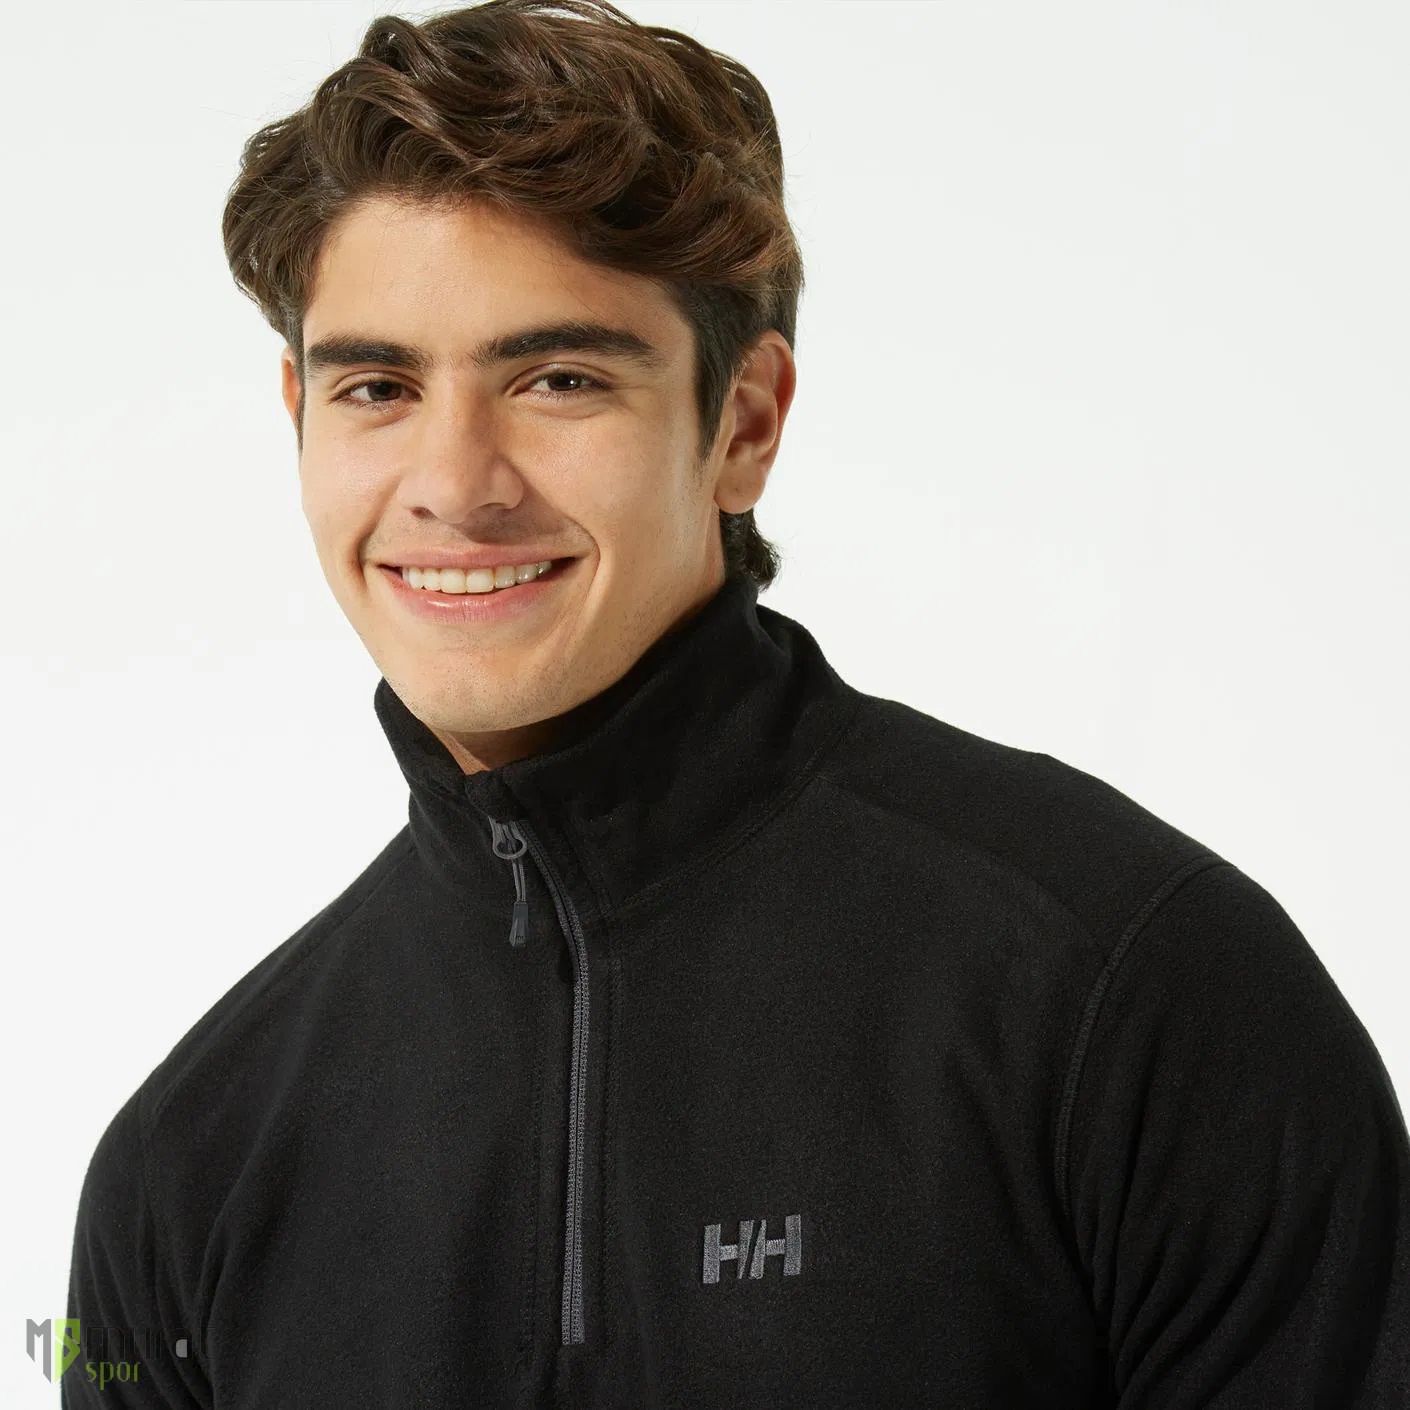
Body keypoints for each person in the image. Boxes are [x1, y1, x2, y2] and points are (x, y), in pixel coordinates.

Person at [64, 1, 1409, 1405]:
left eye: (559, 378)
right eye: (378, 387)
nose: (455, 484)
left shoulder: (1133, 993)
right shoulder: (186, 1167)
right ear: (299, 416)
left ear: (745, 423)